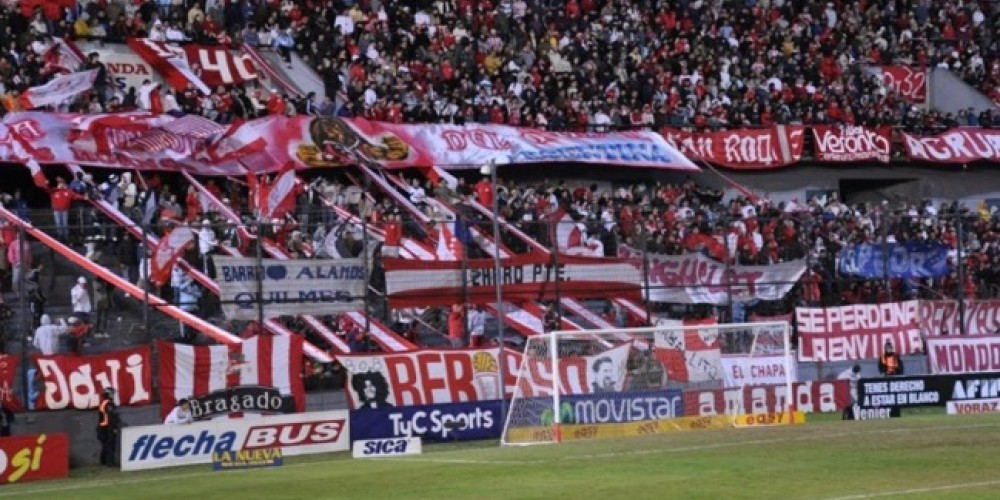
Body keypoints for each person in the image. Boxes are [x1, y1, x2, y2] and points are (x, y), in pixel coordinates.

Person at [96, 387, 121, 467]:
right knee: (110, 445)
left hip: (103, 427)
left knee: (106, 445)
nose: (113, 396)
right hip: (107, 428)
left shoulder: (103, 403)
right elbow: (111, 417)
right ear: (109, 394)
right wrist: (114, 427)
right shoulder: (108, 404)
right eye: (112, 394)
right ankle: (109, 462)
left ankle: (103, 461)